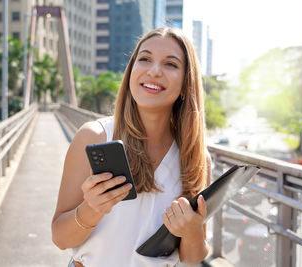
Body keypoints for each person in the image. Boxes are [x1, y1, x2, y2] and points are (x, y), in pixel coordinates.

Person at [51, 27, 212, 267]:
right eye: (144, 59)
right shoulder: (94, 136)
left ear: (185, 82)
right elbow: (60, 238)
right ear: (131, 72)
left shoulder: (196, 158)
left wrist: (192, 231)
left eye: (170, 64)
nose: (154, 71)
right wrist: (91, 209)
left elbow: (192, 257)